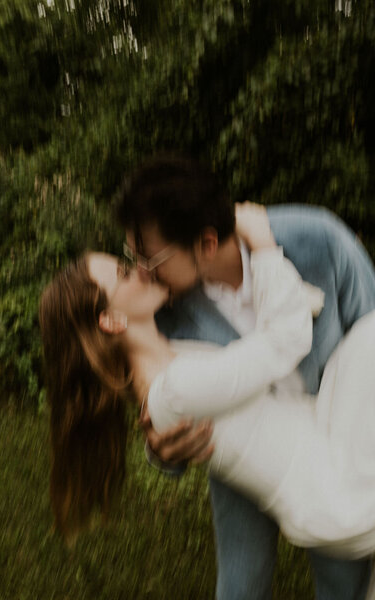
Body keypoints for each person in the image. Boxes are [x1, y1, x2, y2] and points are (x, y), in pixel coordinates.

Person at [39, 207, 375, 599]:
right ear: (111, 320)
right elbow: (281, 342)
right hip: (333, 498)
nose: (143, 270)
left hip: (332, 457)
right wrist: (263, 245)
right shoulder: (176, 389)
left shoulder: (173, 354)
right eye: (125, 273)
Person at [116, 155, 375, 600]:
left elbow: (369, 331)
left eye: (150, 256)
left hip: (335, 448)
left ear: (208, 243)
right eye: (132, 255)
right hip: (248, 465)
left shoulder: (318, 239)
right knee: (240, 584)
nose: (141, 270)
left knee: (342, 582)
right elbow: (164, 395)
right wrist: (162, 453)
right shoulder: (166, 309)